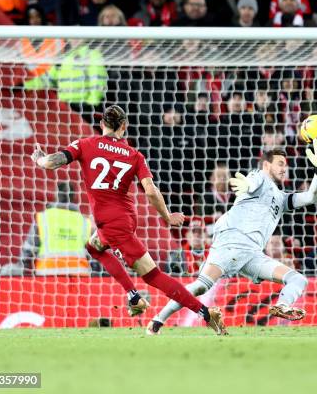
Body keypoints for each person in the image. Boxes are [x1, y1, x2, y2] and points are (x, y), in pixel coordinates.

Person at [30, 104, 227, 335]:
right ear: (124, 127)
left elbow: (53, 162)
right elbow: (151, 191)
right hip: (122, 218)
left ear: (102, 124)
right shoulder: (135, 155)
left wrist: (39, 159)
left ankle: (205, 313)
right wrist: (167, 216)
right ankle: (133, 297)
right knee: (93, 246)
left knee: (153, 275)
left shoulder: (85, 144)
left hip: (113, 225)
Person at [147, 142, 317, 335]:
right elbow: (251, 182)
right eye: (279, 163)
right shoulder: (259, 177)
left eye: (285, 165)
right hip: (231, 244)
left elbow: (312, 197)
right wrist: (245, 185)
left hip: (252, 254)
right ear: (266, 165)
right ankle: (157, 321)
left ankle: (282, 306)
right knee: (201, 286)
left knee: (298, 280)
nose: (283, 168)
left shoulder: (281, 198)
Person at [17, 182, 93, 276]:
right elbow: (93, 251)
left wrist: (23, 267)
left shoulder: (43, 218)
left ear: (56, 195)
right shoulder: (84, 221)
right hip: (78, 272)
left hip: (47, 272)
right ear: (74, 197)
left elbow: (29, 249)